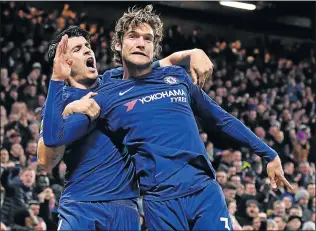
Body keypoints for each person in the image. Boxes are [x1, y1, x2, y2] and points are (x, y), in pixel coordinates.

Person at [42, 5, 292, 230]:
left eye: (148, 39)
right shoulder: (106, 95)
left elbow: (221, 118)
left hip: (203, 191)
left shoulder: (176, 77)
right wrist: (62, 93)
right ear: (118, 45)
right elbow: (54, 138)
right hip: (158, 202)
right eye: (133, 37)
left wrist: (269, 153)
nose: (141, 43)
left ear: (154, 47)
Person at [38, 25, 214, 230]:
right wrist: (68, 112)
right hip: (80, 205)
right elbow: (46, 160)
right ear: (63, 63)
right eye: (77, 49)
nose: (87, 50)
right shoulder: (57, 102)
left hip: (125, 207)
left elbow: (161, 63)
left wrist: (193, 52)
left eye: (87, 46)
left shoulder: (115, 81)